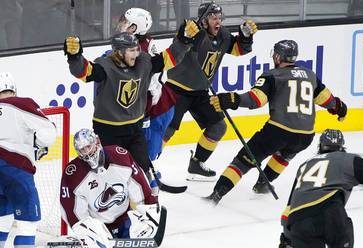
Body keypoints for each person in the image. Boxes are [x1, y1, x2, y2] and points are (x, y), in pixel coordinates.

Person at [205, 39, 348, 204]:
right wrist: (340, 108)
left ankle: (216, 195)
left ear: (278, 57)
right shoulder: (310, 75)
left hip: (278, 131)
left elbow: (255, 99)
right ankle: (262, 184)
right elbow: (328, 100)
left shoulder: (272, 76)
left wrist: (231, 99)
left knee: (242, 162)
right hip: (305, 136)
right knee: (284, 155)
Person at [63, 21, 199, 177]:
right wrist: (74, 57)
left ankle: (149, 198)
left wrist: (184, 40)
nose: (136, 54)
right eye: (131, 51)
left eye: (137, 49)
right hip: (108, 131)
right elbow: (83, 71)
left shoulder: (144, 62)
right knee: (112, 174)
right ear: (119, 52)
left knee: (143, 170)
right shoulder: (105, 67)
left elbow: (170, 58)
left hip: (135, 129)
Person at [163, 1, 257, 181]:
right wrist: (190, 33)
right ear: (204, 20)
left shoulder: (222, 35)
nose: (218, 21)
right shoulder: (191, 30)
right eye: (214, 17)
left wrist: (245, 37)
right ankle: (145, 166)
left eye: (220, 17)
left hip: (200, 92)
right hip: (176, 89)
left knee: (218, 126)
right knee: (167, 129)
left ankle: (197, 163)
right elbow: (183, 43)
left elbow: (238, 50)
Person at [60, 128, 162, 248]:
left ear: (97, 142)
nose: (86, 153)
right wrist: (89, 231)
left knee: (143, 246)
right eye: (82, 150)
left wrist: (148, 214)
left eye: (88, 147)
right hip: (98, 226)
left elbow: (140, 188)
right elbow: (73, 212)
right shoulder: (73, 174)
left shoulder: (120, 157)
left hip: (124, 219)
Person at [278, 129, 363, 248]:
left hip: (299, 220)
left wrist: (288, 241)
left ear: (320, 146)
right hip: (330, 214)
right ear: (342, 146)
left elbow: (288, 210)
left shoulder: (305, 165)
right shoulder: (346, 159)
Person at [0, 72, 56, 248]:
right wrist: (35, 144)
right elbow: (48, 136)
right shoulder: (22, 103)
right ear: (13, 89)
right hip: (15, 170)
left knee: (2, 218)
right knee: (27, 224)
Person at [114, 8, 176, 162]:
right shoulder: (130, 43)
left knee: (148, 151)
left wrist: (144, 113)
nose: (121, 24)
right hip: (146, 104)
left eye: (126, 22)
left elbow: (148, 86)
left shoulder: (144, 51)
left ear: (135, 28)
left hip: (157, 108)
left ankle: (147, 177)